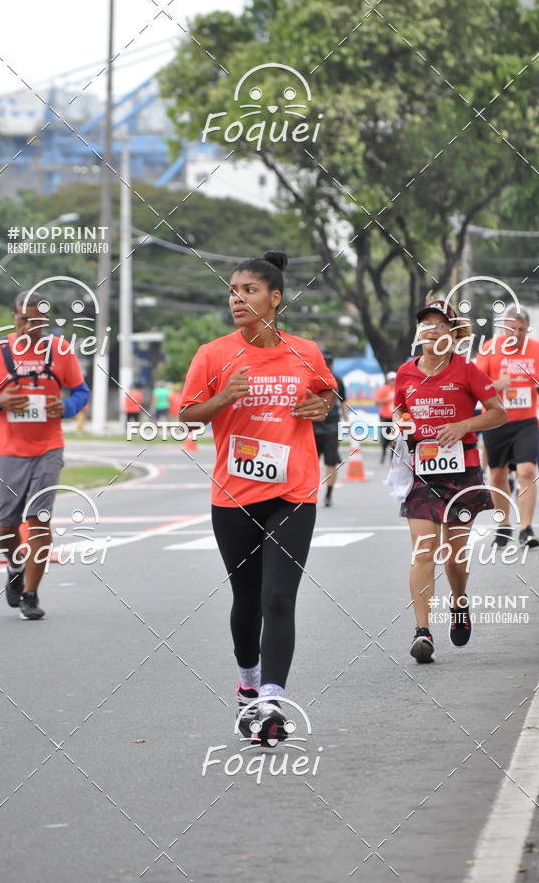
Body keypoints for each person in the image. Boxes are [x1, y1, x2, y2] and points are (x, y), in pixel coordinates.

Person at [179, 251, 337, 743]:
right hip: (235, 496)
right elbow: (188, 415)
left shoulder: (304, 351)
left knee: (278, 599)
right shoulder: (213, 353)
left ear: (275, 298)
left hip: (293, 492)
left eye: (248, 290)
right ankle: (248, 683)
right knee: (246, 602)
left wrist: (320, 404)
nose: (237, 298)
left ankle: (270, 700)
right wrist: (223, 397)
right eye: (233, 290)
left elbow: (326, 393)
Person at [393, 299, 506, 664]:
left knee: (455, 557)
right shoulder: (405, 373)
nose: (432, 330)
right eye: (425, 324)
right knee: (423, 549)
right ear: (418, 333)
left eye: (440, 325)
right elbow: (399, 408)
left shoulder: (468, 371)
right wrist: (401, 422)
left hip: (462, 472)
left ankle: (459, 602)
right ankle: (422, 632)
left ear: (453, 333)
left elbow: (498, 414)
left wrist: (464, 425)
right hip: (422, 473)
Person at [0, 291, 89, 619]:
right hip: (7, 449)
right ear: (14, 318)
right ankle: (14, 567)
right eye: (24, 319)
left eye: (37, 320)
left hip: (48, 447)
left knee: (38, 521)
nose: (30, 327)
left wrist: (65, 407)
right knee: (6, 528)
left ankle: (31, 595)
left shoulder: (60, 351)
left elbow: (82, 392)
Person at [476, 306, 539, 548]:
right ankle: (503, 526)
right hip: (495, 420)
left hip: (526, 421)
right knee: (498, 474)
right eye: (512, 328)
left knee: (527, 471)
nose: (516, 333)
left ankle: (526, 529)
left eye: (521, 329)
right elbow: (476, 384)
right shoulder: (489, 348)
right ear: (503, 327)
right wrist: (497, 384)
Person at [313, 352, 349, 506]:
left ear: (332, 364)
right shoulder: (311, 379)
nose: (327, 366)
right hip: (313, 424)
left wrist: (347, 420)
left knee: (331, 461)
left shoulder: (337, 380)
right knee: (311, 462)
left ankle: (328, 494)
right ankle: (309, 493)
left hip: (332, 425)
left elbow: (343, 401)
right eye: (324, 363)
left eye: (328, 363)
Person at [374, 372, 396, 464]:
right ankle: (383, 453)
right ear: (388, 380)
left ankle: (392, 458)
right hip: (385, 417)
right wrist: (387, 399)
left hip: (395, 418)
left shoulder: (398, 389)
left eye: (394, 379)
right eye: (391, 380)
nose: (393, 381)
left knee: (394, 438)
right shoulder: (383, 390)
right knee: (385, 438)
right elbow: (376, 401)